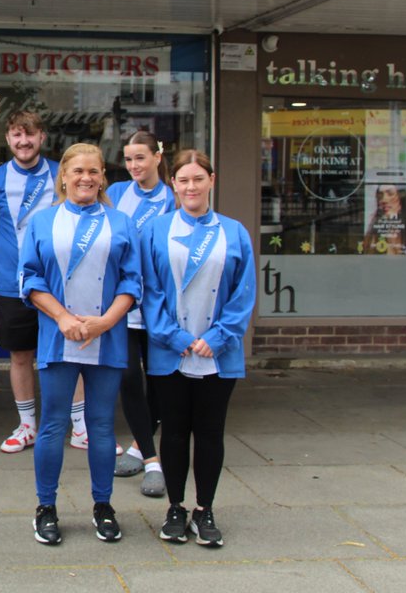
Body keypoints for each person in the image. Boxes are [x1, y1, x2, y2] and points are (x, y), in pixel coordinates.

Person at [20, 143, 140, 546]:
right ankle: (46, 507)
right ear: (64, 177)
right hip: (58, 336)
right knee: (53, 424)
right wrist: (64, 318)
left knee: (101, 426)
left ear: (103, 176)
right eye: (78, 171)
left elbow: (132, 281)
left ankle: (103, 506)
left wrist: (105, 322)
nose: (86, 178)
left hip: (107, 339)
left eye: (94, 171)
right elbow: (30, 279)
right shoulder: (43, 222)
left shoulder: (122, 222)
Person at [141, 150, 256, 549]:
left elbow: (243, 295)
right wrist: (175, 337)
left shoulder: (235, 232)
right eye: (183, 180)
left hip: (217, 355)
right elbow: (149, 290)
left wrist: (219, 337)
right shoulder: (154, 231)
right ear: (173, 184)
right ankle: (175, 507)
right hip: (169, 351)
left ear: (212, 179)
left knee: (210, 434)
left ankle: (204, 509)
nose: (191, 187)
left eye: (198, 179)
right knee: (173, 433)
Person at [0, 110, 61, 453]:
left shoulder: (61, 174)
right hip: (13, 284)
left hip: (59, 284)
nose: (24, 142)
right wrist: (9, 260)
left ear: (42, 137)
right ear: (7, 139)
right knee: (21, 356)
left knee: (68, 354)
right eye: (16, 135)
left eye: (30, 134)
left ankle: (80, 425)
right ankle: (27, 426)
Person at [106, 130, 175, 498]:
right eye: (129, 159)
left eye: (140, 158)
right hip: (124, 302)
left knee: (161, 382)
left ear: (157, 157)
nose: (134, 165)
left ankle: (138, 447)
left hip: (161, 305)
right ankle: (152, 461)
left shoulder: (174, 198)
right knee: (129, 378)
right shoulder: (116, 194)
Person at [364, 184, 406, 255]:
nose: (383, 200)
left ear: (402, 200)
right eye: (380, 195)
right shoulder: (374, 230)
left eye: (390, 194)